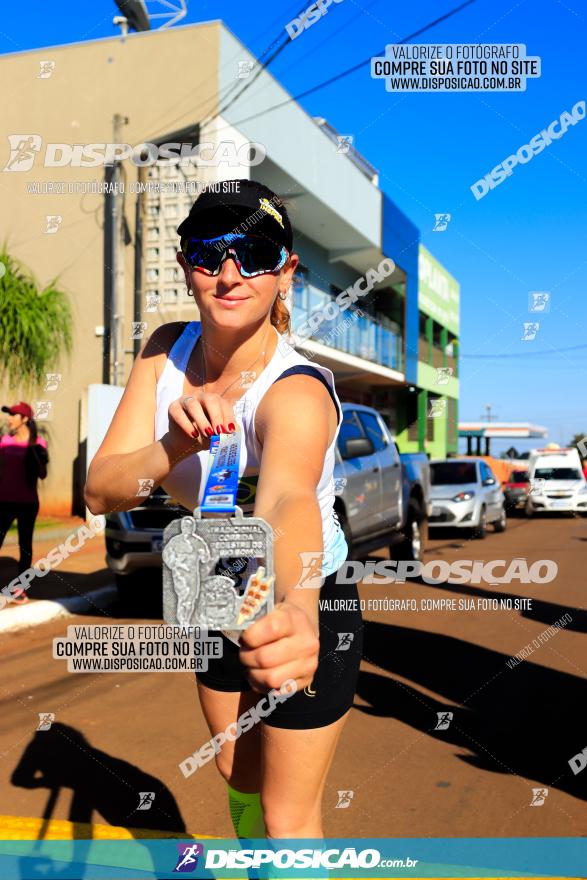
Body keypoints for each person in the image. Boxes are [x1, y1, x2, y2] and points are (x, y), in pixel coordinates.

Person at [84, 179, 363, 840]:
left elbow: (288, 497)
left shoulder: (295, 391)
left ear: (286, 270)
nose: (230, 273)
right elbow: (100, 490)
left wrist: (293, 606)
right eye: (209, 253)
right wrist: (172, 445)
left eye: (256, 251)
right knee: (239, 774)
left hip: (307, 593)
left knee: (287, 814)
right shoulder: (163, 352)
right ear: (185, 266)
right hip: (216, 583)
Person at [0, 401, 49, 604]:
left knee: (25, 546)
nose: (9, 418)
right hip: (3, 501)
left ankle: (19, 589)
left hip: (28, 503)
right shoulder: (4, 441)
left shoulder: (39, 443)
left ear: (25, 419)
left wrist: (37, 455)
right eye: (9, 414)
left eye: (13, 415)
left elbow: (43, 474)